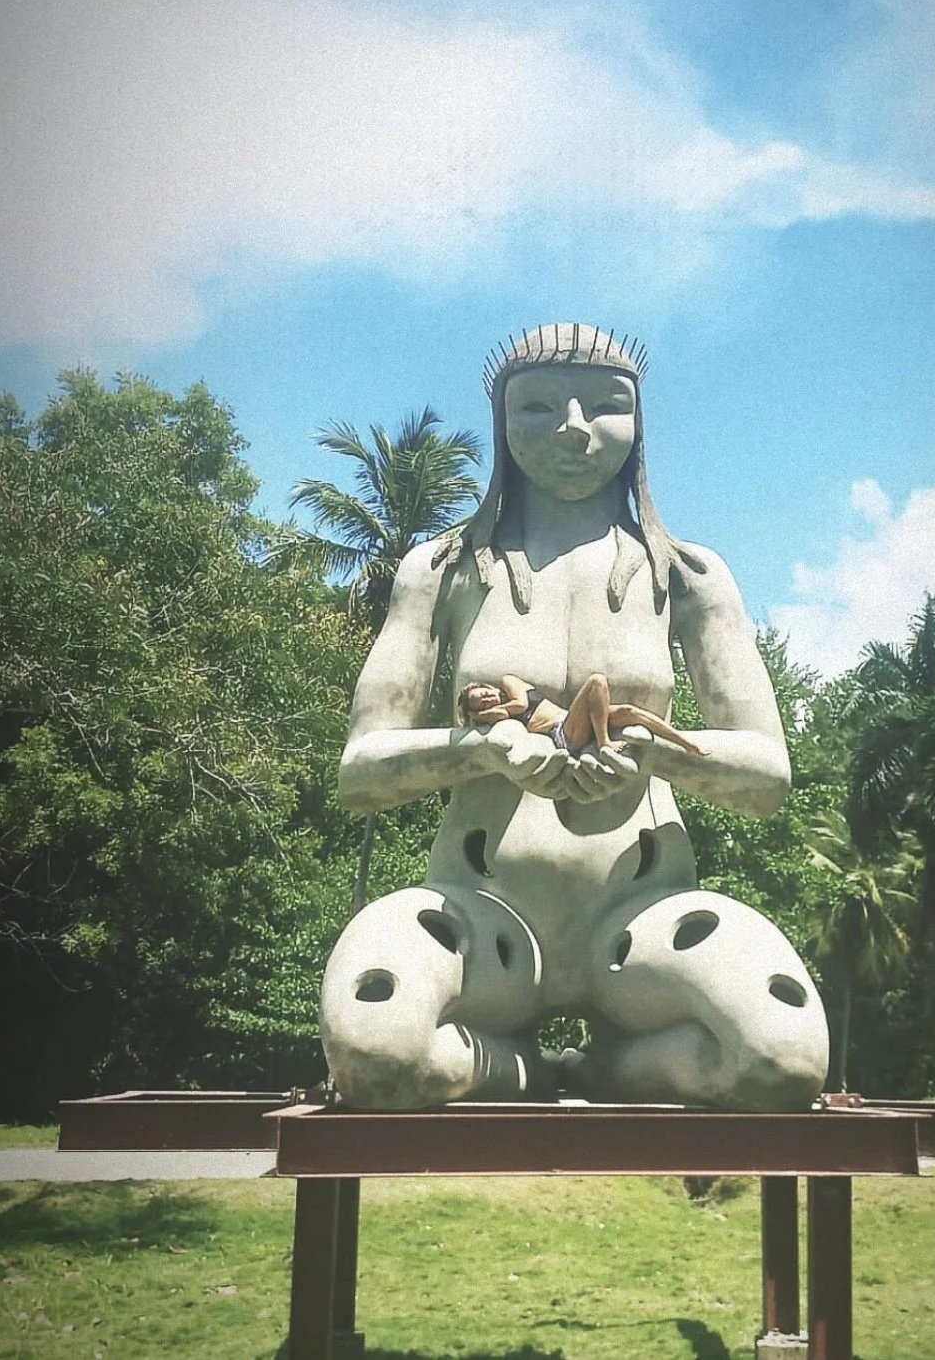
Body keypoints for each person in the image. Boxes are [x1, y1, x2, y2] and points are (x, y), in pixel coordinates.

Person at [320, 323, 828, 1111]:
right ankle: (517, 1069)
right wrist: (487, 749)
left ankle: (599, 1071)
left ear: (638, 422)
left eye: (604, 405)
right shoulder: (440, 570)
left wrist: (655, 753)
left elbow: (767, 776)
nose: (572, 427)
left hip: (642, 917)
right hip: (482, 916)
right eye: (536, 407)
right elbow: (360, 772)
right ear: (500, 420)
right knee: (378, 1050)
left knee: (779, 1056)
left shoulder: (690, 577)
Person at [458, 673, 707, 757]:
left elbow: (522, 704)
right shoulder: (496, 717)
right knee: (596, 681)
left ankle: (687, 744)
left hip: (575, 721)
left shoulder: (509, 683)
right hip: (564, 734)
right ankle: (604, 743)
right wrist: (486, 715)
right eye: (482, 703)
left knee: (630, 712)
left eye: (485, 693)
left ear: (488, 686)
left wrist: (495, 710)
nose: (488, 699)